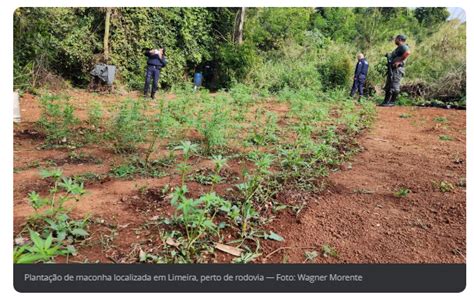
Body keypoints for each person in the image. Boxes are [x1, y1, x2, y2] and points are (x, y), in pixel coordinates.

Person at [381, 35, 411, 107]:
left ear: (399, 39)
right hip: (392, 69)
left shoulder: (403, 46)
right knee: (388, 85)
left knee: (395, 85)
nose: (395, 40)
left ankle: (392, 102)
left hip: (397, 69)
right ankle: (386, 101)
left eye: (396, 39)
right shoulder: (398, 48)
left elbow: (407, 52)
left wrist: (399, 62)